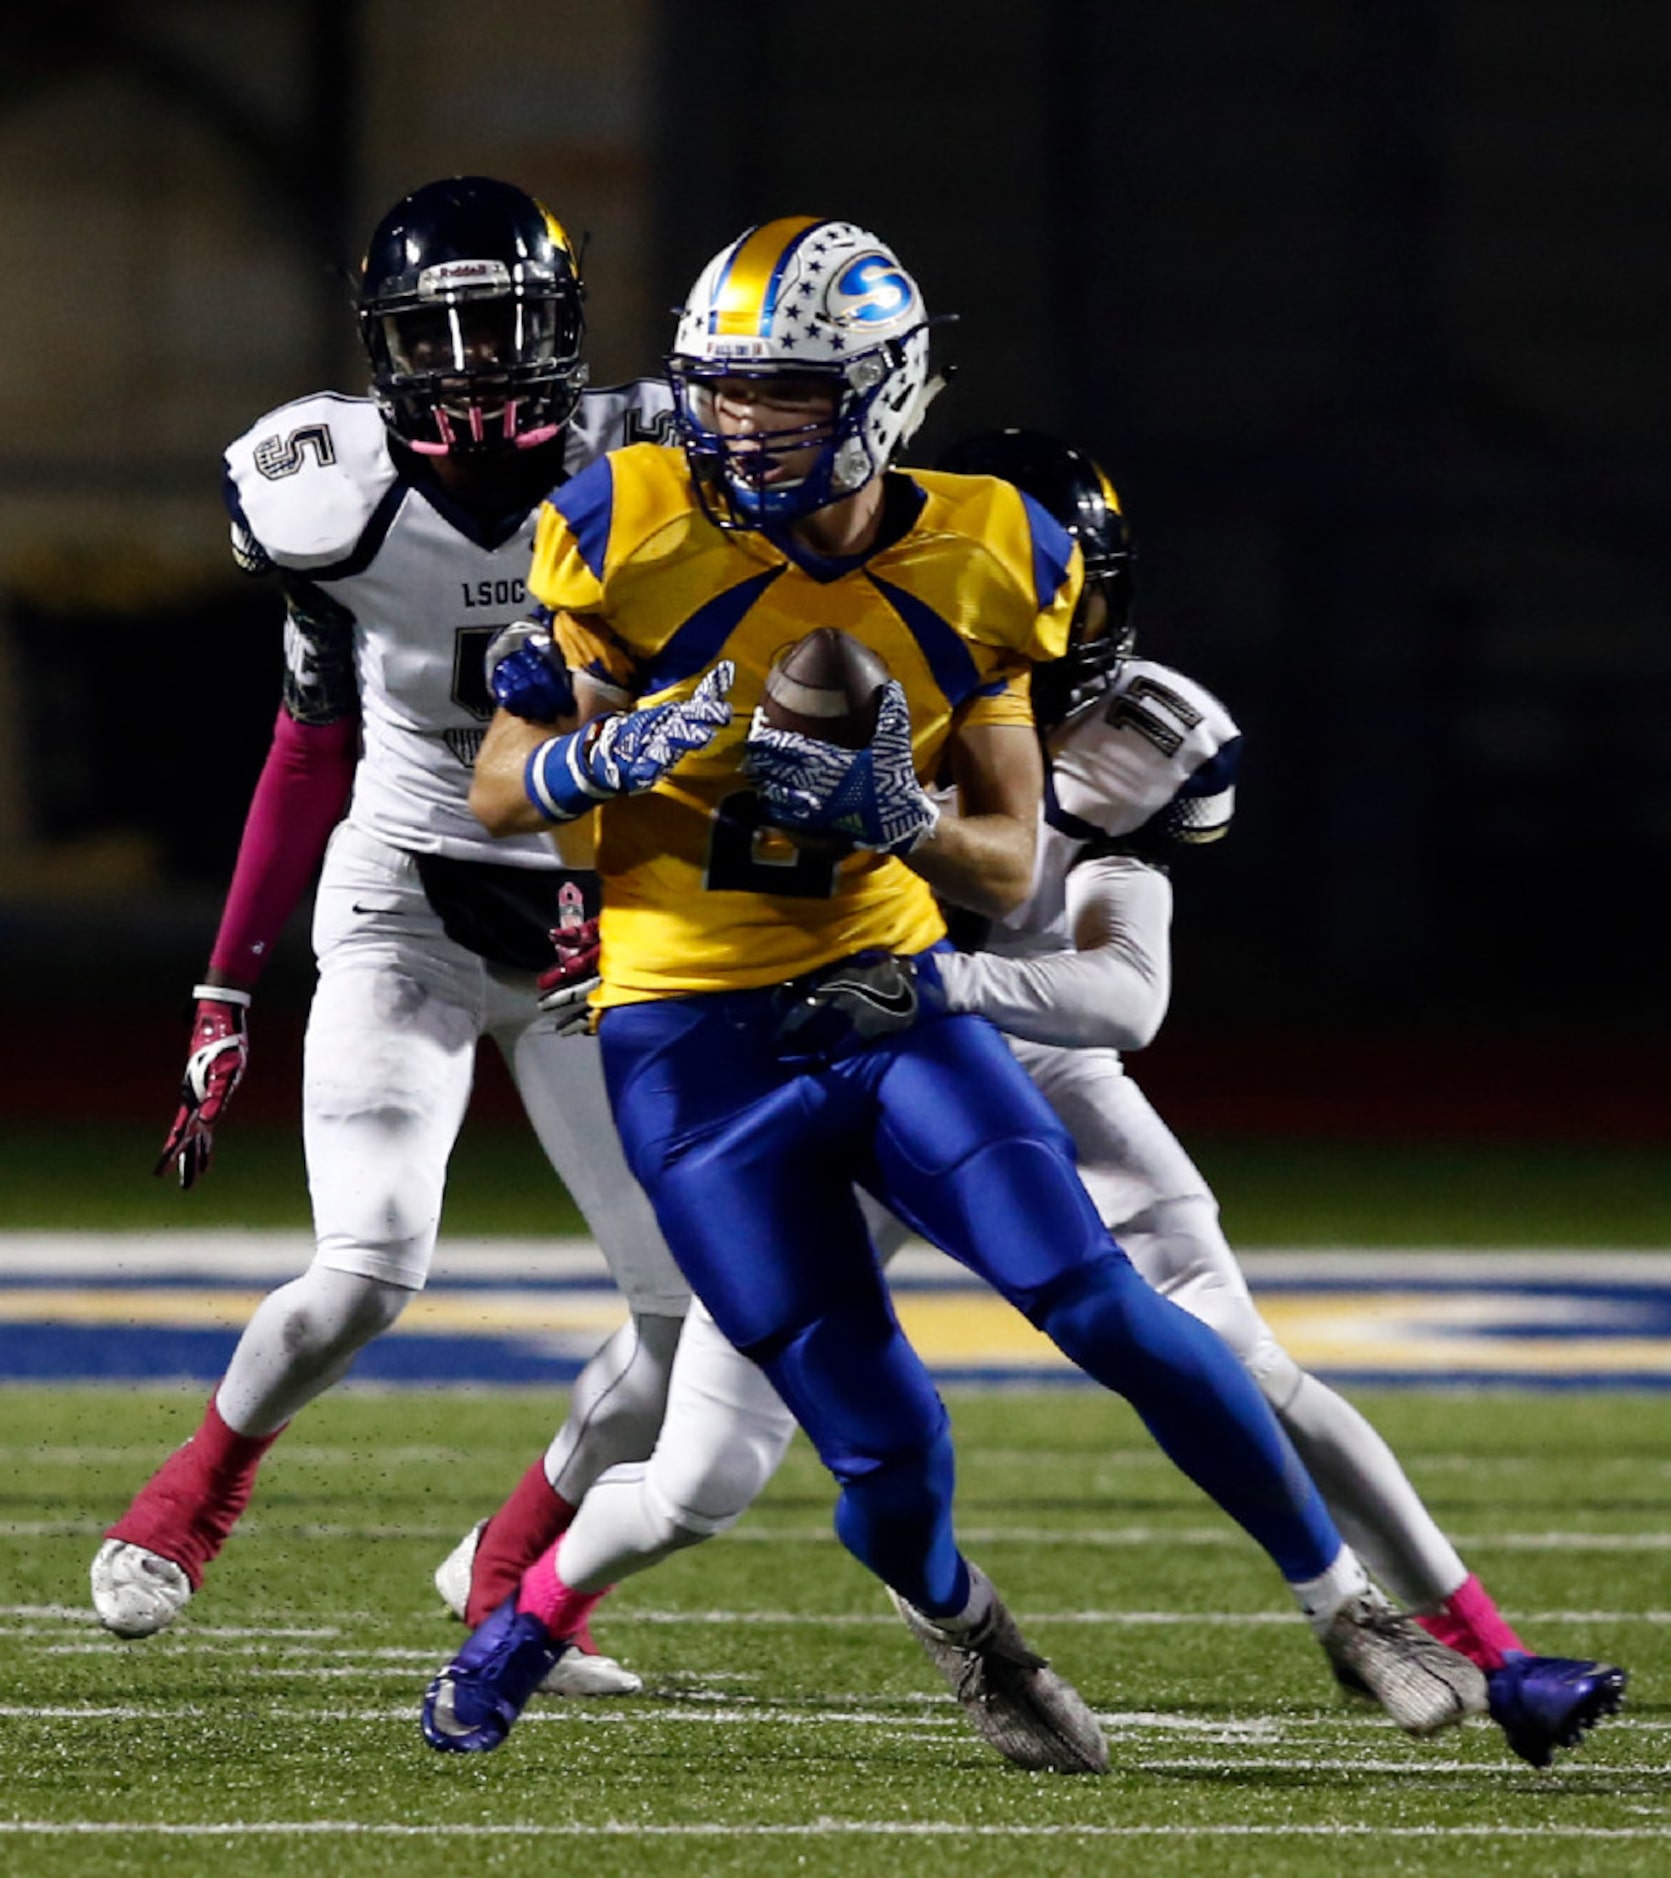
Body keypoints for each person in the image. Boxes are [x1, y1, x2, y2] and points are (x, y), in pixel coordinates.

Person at [419, 214, 1488, 1773]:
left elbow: (1000, 865)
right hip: (689, 1045)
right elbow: (507, 788)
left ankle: (1349, 1608)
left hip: (884, 993)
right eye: (719, 387)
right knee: (885, 1442)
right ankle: (971, 1631)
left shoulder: (991, 547)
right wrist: (596, 755)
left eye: (780, 388)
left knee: (1100, 1301)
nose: (736, 421)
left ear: (878, 389)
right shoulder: (629, 520)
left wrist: (898, 818)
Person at [90, 177, 696, 1695]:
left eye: (510, 331)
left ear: (564, 333)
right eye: (447, 336)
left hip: (598, 938)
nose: (483, 368)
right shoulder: (330, 490)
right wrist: (226, 977)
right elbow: (307, 744)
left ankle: (510, 1565)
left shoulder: (663, 462)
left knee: (694, 1320)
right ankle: (200, 1485)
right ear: (385, 349)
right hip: (410, 906)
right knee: (368, 1265)